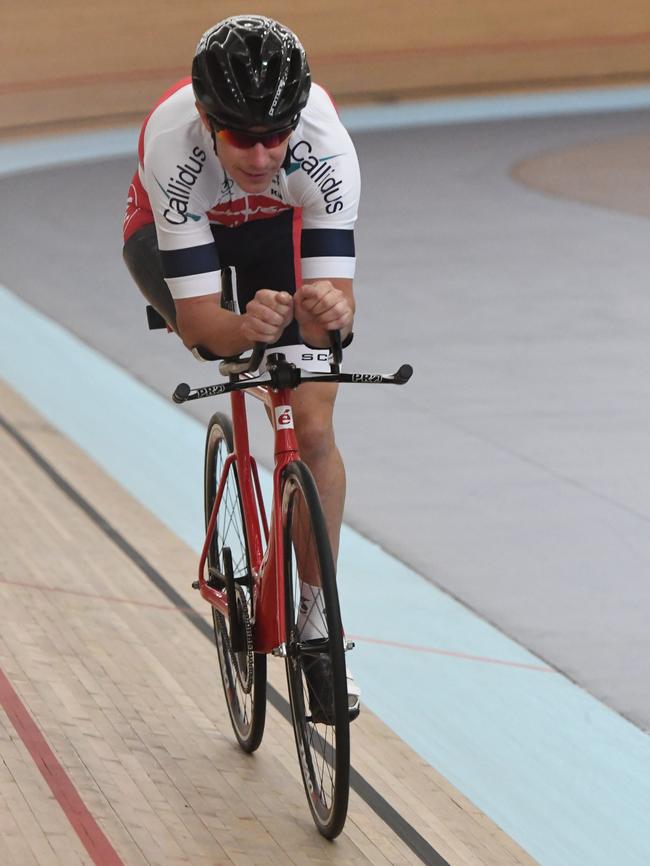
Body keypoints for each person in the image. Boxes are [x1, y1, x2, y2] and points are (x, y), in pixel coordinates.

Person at [122, 14, 360, 719]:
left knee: (311, 426)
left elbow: (336, 313)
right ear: (205, 118)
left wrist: (327, 312)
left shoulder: (327, 149)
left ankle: (319, 627)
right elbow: (201, 327)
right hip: (180, 227)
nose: (260, 155)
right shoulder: (173, 146)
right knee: (234, 352)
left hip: (276, 226)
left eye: (274, 136)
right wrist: (241, 330)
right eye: (240, 137)